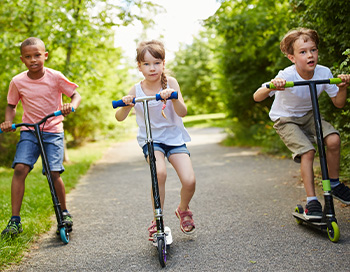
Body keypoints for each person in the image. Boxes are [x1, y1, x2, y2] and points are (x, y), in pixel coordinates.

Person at [253, 28, 350, 220]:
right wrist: (273, 85)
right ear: (292, 57)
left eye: (313, 50)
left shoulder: (323, 72)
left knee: (333, 140)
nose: (310, 55)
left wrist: (342, 87)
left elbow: (338, 103)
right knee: (307, 151)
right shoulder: (286, 75)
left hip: (308, 115)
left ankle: (335, 183)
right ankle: (312, 200)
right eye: (303, 52)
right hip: (285, 119)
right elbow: (257, 96)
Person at [115, 40, 196, 240]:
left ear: (163, 63)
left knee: (189, 180)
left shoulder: (172, 83)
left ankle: (183, 209)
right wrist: (127, 104)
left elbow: (182, 112)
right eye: (147, 64)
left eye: (157, 63)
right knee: (159, 173)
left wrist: (174, 97)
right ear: (139, 66)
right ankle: (157, 220)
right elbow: (119, 117)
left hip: (174, 138)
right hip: (151, 140)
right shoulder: (136, 89)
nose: (152, 68)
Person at [1, 37, 81, 235]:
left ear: (45, 55)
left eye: (37, 55)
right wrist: (8, 121)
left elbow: (75, 95)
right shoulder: (18, 81)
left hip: (53, 130)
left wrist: (71, 106)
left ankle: (64, 212)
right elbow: (11, 105)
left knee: (53, 172)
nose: (33, 60)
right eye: (28, 57)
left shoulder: (55, 77)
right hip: (29, 130)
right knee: (20, 168)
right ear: (22, 60)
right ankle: (15, 220)